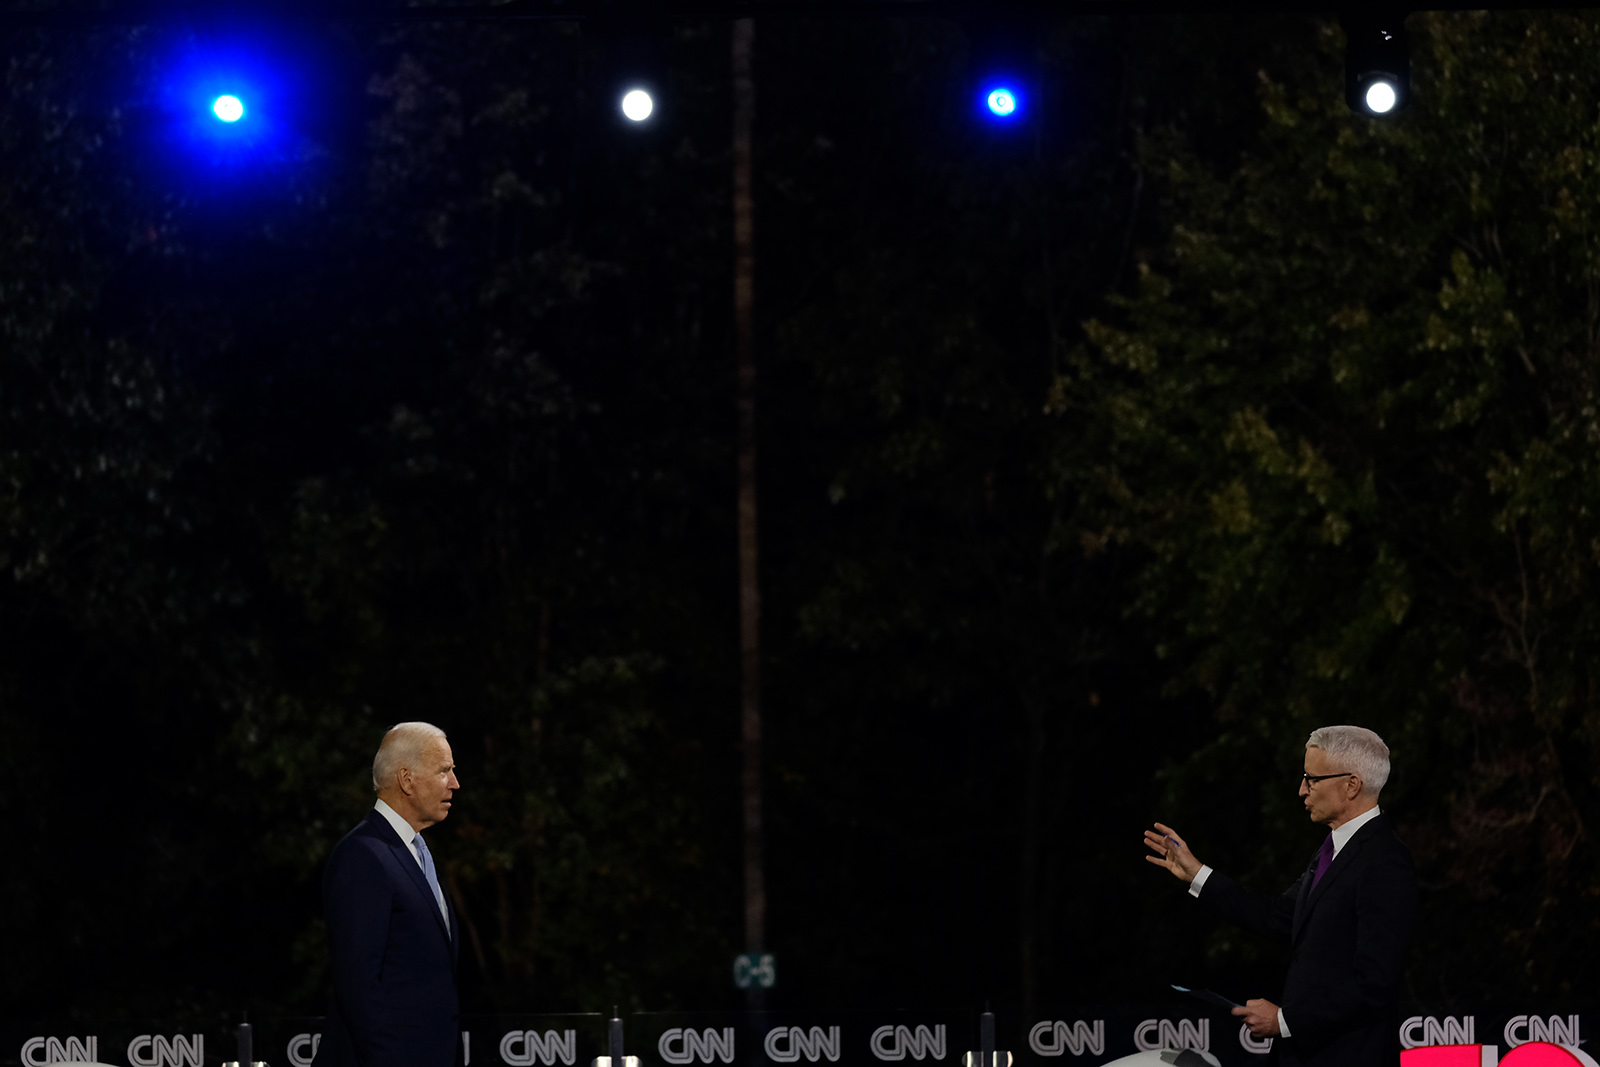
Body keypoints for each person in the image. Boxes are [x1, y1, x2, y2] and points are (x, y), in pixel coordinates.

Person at [1143, 725, 1417, 1067]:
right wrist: (1197, 873)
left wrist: (1284, 1021)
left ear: (1351, 784)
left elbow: (1374, 984)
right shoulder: (1333, 850)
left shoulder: (1384, 861)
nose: (1302, 790)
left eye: (1312, 778)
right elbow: (1278, 916)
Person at [314, 722, 463, 1067]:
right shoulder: (363, 855)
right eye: (444, 771)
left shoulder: (417, 851)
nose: (455, 783)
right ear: (407, 780)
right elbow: (359, 984)